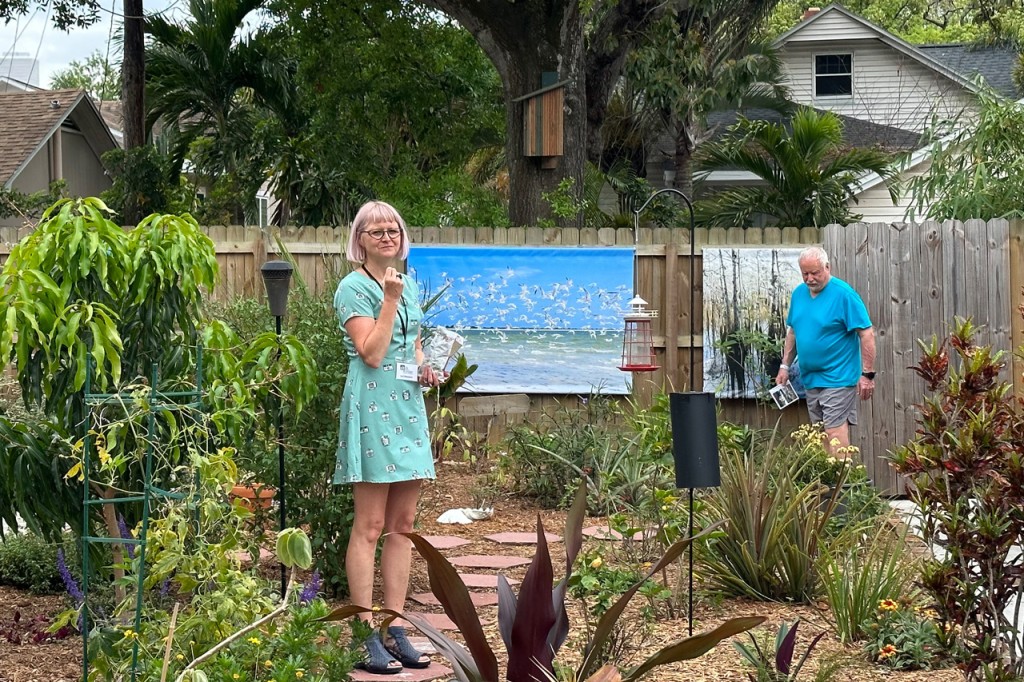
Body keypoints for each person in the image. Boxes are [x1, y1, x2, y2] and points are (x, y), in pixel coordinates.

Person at [333, 200, 441, 675]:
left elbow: (408, 346)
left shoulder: (409, 284)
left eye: (392, 229)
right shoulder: (353, 288)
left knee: (404, 526)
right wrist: (390, 299)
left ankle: (393, 628)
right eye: (374, 231)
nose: (385, 237)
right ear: (360, 241)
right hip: (372, 409)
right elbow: (372, 353)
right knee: (370, 525)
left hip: (407, 407)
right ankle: (362, 632)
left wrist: (425, 368)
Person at [775, 246, 876, 458]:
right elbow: (793, 331)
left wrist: (867, 374)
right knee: (819, 434)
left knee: (834, 431)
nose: (810, 278)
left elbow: (866, 334)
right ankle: (828, 485)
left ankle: (842, 487)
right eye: (805, 273)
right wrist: (785, 366)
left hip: (839, 376)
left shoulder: (844, 295)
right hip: (811, 378)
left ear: (827, 267)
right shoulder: (799, 294)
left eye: (815, 273)